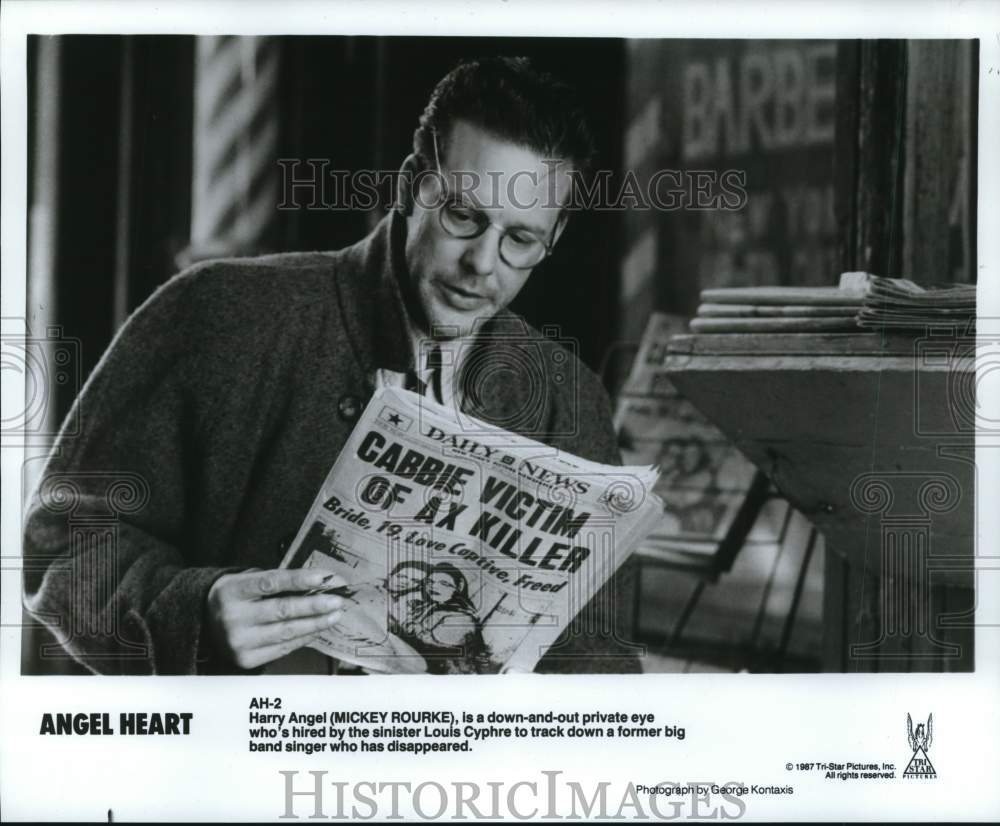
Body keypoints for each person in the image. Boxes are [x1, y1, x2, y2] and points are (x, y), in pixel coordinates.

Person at [22, 56, 640, 675]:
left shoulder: (571, 398)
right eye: (463, 215)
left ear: (552, 239)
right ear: (409, 187)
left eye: (521, 240)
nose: (483, 262)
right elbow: (62, 544)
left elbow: (600, 658)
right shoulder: (217, 312)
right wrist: (196, 610)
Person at [396, 563, 492, 674]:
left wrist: (406, 623)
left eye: (444, 584)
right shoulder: (432, 606)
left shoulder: (462, 619)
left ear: (459, 586)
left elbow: (427, 643)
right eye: (429, 582)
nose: (433, 587)